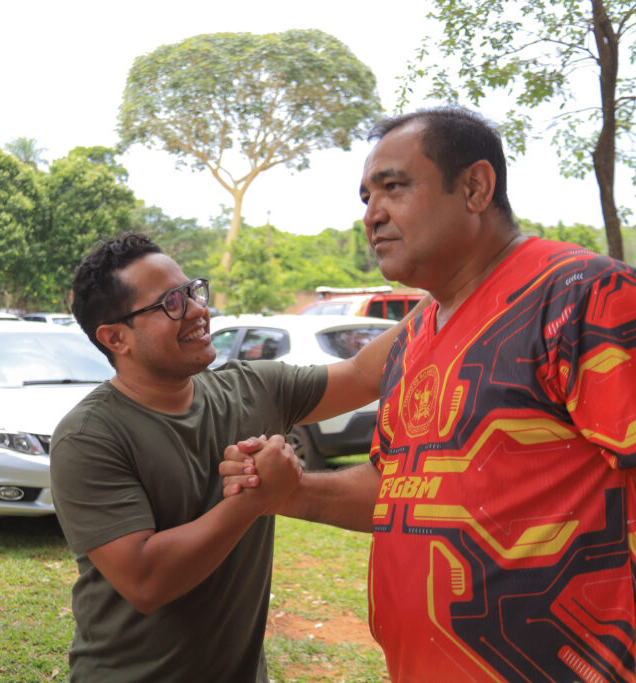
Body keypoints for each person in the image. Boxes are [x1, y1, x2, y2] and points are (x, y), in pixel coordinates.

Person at [223, 106, 636, 681]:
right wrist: (292, 491)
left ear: (476, 187)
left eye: (394, 187)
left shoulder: (588, 297)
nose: (372, 215)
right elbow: (408, 489)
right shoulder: (416, 334)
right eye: (365, 198)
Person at [49, 233, 416, 681]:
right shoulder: (90, 436)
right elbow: (145, 580)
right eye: (171, 303)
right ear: (116, 338)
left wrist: (455, 292)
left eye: (192, 292)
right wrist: (254, 500)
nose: (199, 310)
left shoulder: (250, 389)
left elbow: (362, 374)